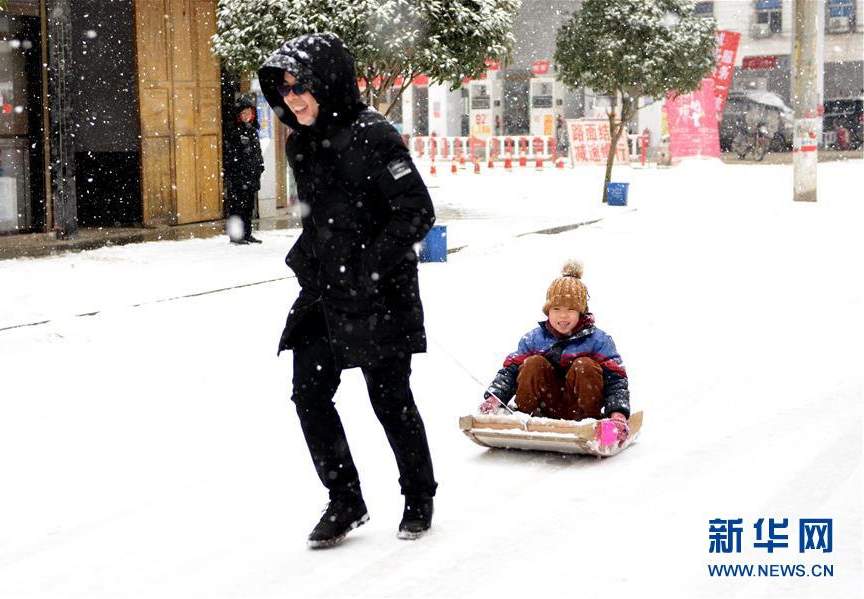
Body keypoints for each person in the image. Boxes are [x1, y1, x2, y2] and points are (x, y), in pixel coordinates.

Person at [258, 32, 438, 549]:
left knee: (390, 400)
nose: (292, 99)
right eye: (284, 89)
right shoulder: (299, 144)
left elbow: (416, 211)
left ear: (328, 83)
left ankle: (418, 496)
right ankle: (345, 499)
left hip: (381, 293)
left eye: (300, 87)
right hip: (324, 294)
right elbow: (320, 217)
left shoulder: (375, 136)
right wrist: (309, 259)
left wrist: (368, 268)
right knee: (309, 395)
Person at [480, 260, 631, 445]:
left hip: (582, 412)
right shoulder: (533, 339)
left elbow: (616, 380)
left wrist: (617, 414)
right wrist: (494, 399)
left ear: (581, 312)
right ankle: (522, 416)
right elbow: (509, 373)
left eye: (571, 309)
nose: (563, 315)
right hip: (542, 409)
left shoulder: (599, 341)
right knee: (533, 363)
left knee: (585, 365)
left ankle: (592, 423)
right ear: (548, 311)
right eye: (556, 309)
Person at [224, 94, 264, 244]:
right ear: (239, 114)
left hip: (251, 176)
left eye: (249, 113)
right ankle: (236, 236)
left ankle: (247, 233)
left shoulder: (252, 130)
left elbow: (257, 152)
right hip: (238, 177)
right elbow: (230, 155)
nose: (247, 115)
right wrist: (236, 169)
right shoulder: (234, 131)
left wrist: (260, 165)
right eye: (244, 113)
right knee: (237, 207)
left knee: (248, 207)